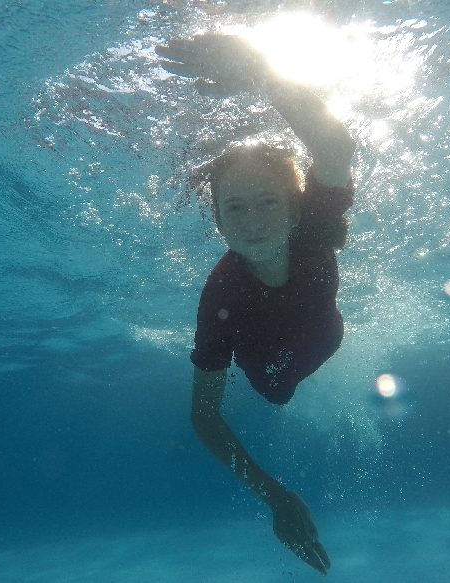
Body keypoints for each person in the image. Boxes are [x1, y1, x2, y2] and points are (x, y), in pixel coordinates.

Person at [156, 34, 356, 576]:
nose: (253, 221)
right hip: (270, 374)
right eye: (235, 209)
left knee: (304, 363)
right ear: (219, 223)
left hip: (327, 337)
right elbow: (204, 415)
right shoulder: (221, 295)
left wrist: (262, 73)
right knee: (277, 394)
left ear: (294, 209)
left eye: (268, 201)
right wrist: (276, 496)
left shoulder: (313, 230)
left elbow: (336, 148)